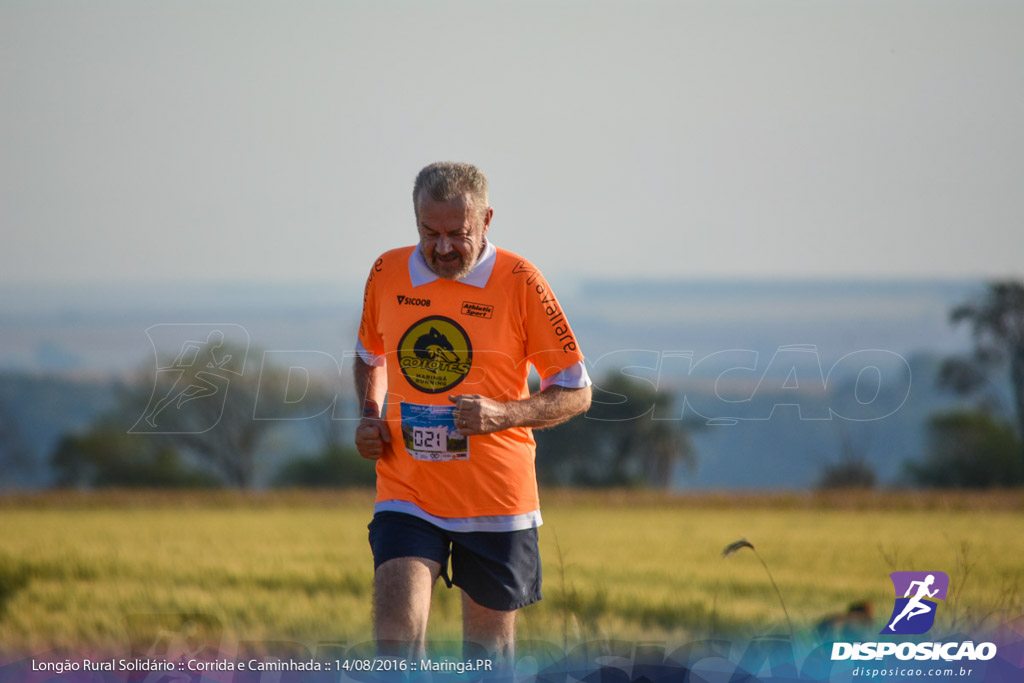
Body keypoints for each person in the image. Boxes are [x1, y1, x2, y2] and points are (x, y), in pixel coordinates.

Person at [352, 161, 592, 664]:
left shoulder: (521, 280)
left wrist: (502, 415)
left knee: (486, 659)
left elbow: (575, 391)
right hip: (408, 492)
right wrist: (370, 413)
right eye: (428, 232)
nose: (441, 248)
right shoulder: (387, 271)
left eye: (456, 234)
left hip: (497, 501)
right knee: (394, 644)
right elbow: (369, 355)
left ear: (486, 220)